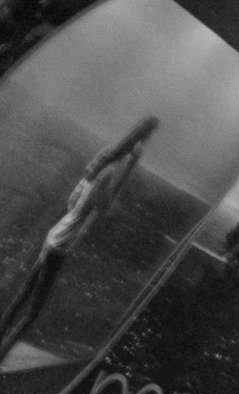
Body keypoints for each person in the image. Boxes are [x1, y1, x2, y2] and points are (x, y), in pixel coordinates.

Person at [0, 116, 159, 364]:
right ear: (141, 140)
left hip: (54, 235)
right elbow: (104, 208)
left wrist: (80, 211)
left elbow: (71, 203)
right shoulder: (110, 173)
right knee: (33, 312)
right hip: (60, 246)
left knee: (24, 293)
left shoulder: (100, 162)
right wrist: (130, 167)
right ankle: (2, 353)